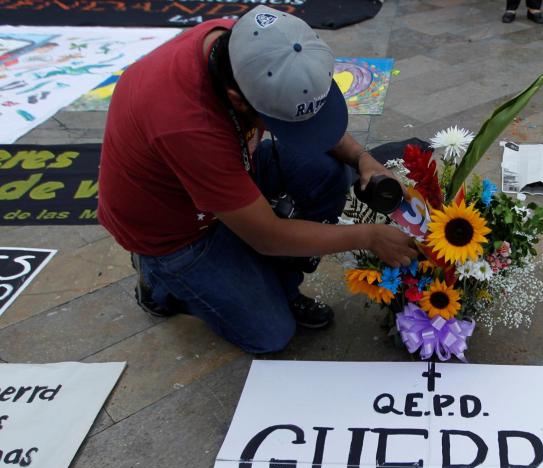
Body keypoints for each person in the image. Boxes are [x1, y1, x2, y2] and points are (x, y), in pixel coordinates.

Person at [97, 7, 416, 354]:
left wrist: (363, 159)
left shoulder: (252, 44)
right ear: (236, 99)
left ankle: (274, 284)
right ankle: (159, 280)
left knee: (326, 170)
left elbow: (316, 125)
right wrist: (369, 237)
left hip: (228, 169)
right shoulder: (188, 125)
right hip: (174, 230)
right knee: (270, 334)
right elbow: (268, 237)